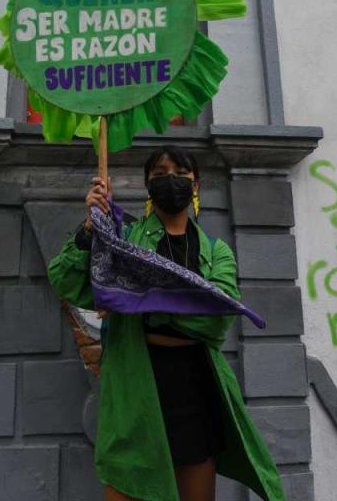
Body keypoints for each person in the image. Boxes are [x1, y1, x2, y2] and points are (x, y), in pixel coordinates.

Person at [48, 146, 285, 501]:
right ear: (147, 185)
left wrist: (132, 298)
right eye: (159, 174)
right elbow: (67, 282)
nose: (170, 179)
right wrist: (90, 227)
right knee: (126, 483)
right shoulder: (122, 239)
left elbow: (215, 321)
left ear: (196, 184)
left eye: (180, 173)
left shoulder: (217, 252)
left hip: (195, 389)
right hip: (135, 388)